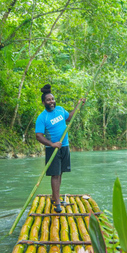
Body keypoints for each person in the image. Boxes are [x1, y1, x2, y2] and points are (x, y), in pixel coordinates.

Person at [35, 84, 86, 214]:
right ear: (43, 103)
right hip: (53, 149)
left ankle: (54, 197)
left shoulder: (60, 110)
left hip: (65, 146)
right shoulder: (42, 117)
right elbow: (39, 136)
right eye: (48, 100)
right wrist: (52, 144)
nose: (51, 102)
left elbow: (69, 118)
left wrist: (78, 105)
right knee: (55, 175)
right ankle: (57, 202)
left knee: (60, 173)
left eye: (52, 99)